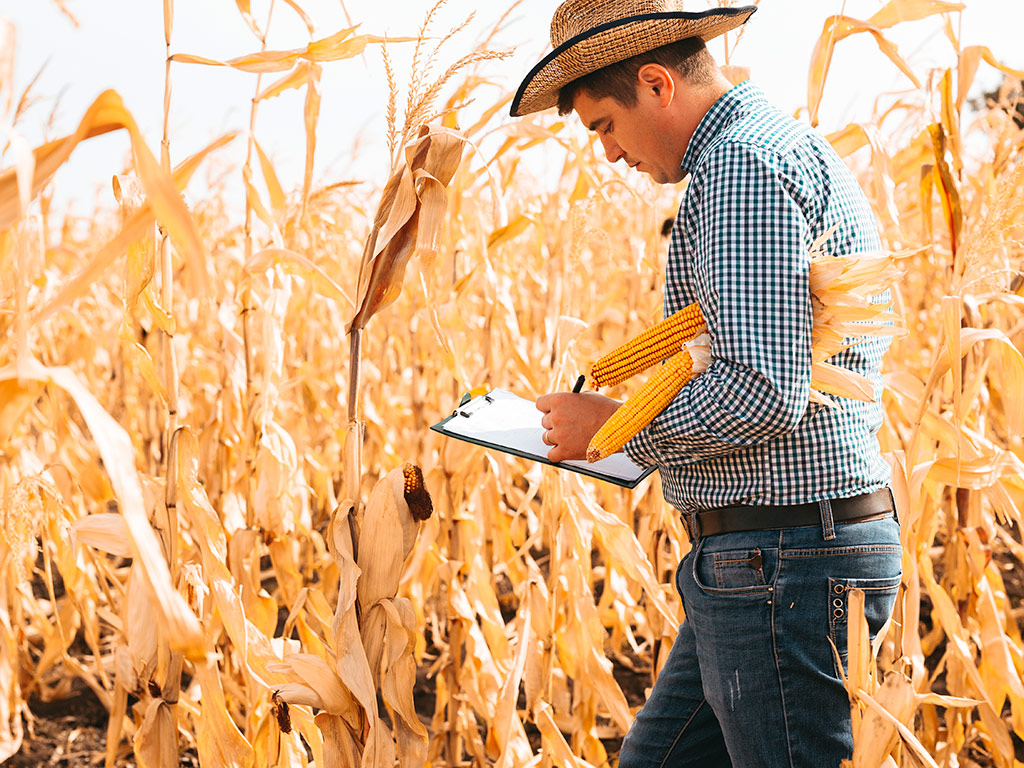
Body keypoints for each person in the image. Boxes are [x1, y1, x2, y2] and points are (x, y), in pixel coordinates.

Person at [509, 2, 903, 767]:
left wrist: (618, 429)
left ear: (655, 84)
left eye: (603, 127)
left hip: (781, 557)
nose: (611, 155)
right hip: (769, 555)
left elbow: (761, 388)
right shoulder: (769, 151)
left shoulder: (742, 168)